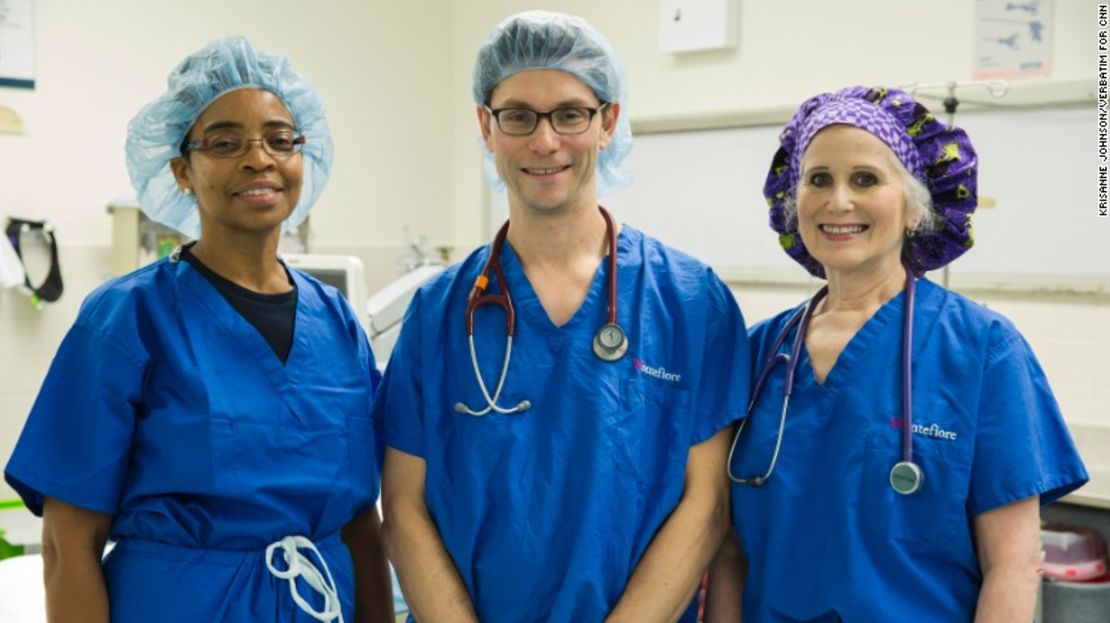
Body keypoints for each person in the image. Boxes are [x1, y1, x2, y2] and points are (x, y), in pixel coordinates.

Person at [374, 11, 750, 623]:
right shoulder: (438, 312)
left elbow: (706, 505)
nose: (544, 142)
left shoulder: (690, 302)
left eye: (570, 114)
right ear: (485, 127)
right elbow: (405, 507)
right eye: (517, 115)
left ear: (608, 122)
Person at [4, 36, 392, 622]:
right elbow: (66, 545)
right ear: (183, 171)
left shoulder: (338, 324)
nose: (258, 157)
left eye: (279, 139)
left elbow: (363, 524)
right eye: (225, 141)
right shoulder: (128, 318)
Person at [706, 86, 1089, 622]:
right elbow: (729, 552)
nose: (839, 201)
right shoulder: (759, 352)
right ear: (794, 205)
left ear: (914, 206)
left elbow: (1014, 566)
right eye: (818, 180)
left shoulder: (982, 351)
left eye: (865, 179)